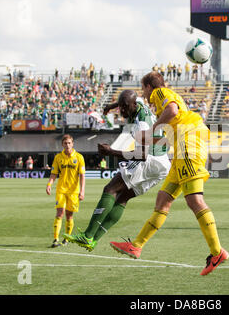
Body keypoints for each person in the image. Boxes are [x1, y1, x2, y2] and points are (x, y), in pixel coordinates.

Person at [110, 71, 229, 276]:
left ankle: (217, 252)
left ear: (148, 86)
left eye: (143, 89)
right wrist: (149, 139)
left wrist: (153, 129)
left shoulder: (159, 93)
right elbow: (171, 133)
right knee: (163, 198)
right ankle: (136, 245)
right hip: (183, 145)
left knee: (194, 201)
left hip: (189, 145)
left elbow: (172, 111)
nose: (145, 95)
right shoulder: (166, 103)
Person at [64, 90, 170, 252]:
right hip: (162, 164)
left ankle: (88, 235)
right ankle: (93, 240)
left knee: (110, 189)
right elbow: (129, 100)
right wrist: (111, 107)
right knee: (122, 198)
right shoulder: (138, 102)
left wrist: (111, 152)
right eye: (121, 107)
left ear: (134, 105)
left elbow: (141, 155)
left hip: (149, 159)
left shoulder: (143, 123)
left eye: (125, 107)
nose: (122, 111)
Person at [46, 134, 86, 248]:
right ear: (62, 144)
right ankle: (55, 239)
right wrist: (49, 184)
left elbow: (82, 176)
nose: (67, 145)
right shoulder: (58, 157)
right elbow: (54, 173)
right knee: (59, 213)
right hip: (61, 190)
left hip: (74, 191)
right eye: (65, 143)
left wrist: (82, 191)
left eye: (69, 143)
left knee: (69, 216)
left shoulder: (79, 157)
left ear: (72, 144)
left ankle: (66, 238)